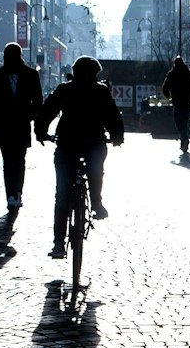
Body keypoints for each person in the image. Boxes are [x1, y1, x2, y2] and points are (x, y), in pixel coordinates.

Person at [35, 55, 125, 258]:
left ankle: (91, 207)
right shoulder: (73, 90)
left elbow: (111, 116)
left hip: (77, 143)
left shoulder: (80, 90)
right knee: (76, 183)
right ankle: (93, 207)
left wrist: (41, 131)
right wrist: (116, 137)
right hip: (78, 144)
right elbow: (113, 117)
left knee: (66, 191)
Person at [0, 42, 43, 210]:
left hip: (20, 124)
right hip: (5, 125)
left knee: (18, 161)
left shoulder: (30, 75)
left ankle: (17, 192)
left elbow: (38, 100)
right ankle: (11, 194)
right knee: (10, 161)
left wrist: (29, 116)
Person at [160, 55, 190, 154]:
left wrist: (168, 97)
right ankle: (184, 138)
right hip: (188, 102)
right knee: (185, 121)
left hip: (177, 102)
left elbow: (165, 88)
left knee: (178, 121)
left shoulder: (172, 74)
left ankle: (184, 138)